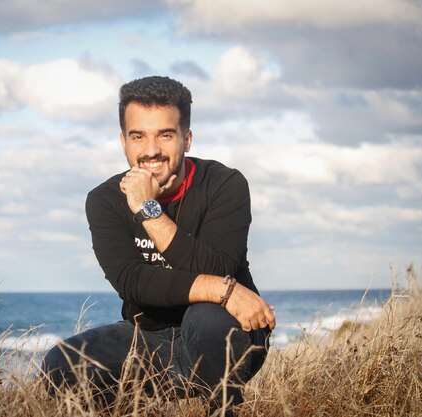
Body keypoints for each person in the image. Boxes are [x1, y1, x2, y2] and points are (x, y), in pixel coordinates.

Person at [41, 76, 276, 412]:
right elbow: (133, 282)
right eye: (138, 136)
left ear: (187, 138)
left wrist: (147, 211)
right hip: (149, 339)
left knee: (207, 318)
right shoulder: (104, 200)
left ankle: (223, 409)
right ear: (123, 141)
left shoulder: (225, 184)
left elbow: (216, 266)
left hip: (226, 333)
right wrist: (225, 290)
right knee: (60, 363)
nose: (151, 150)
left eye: (165, 135)